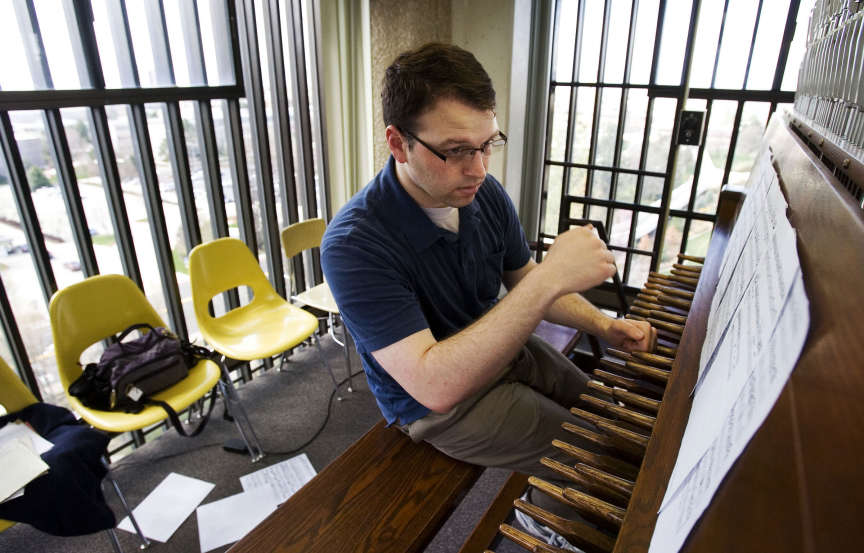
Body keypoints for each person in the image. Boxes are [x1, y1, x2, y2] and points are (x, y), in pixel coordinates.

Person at [321, 42, 655, 526]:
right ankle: (551, 526)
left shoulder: (483, 192)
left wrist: (604, 324)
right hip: (439, 405)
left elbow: (524, 278)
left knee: (610, 418)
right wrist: (551, 280)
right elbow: (435, 385)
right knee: (588, 456)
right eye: (456, 150)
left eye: (487, 144)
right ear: (398, 143)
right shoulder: (354, 243)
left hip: (499, 346)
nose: (477, 168)